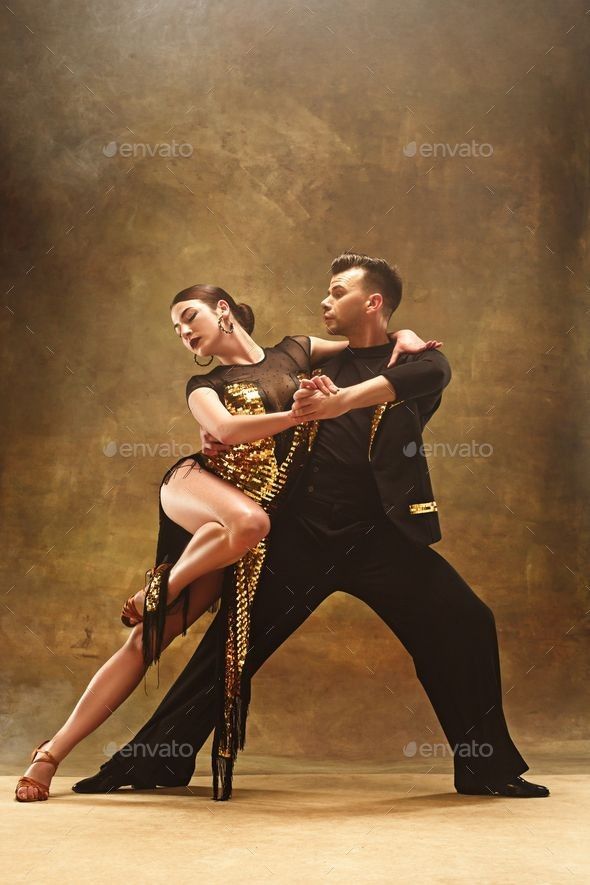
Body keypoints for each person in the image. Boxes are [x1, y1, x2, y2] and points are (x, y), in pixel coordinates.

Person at [73, 253, 549, 802]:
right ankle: (153, 761)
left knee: (465, 622)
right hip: (299, 533)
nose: (325, 299)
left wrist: (349, 392)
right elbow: (252, 394)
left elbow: (418, 375)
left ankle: (485, 769)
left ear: (373, 303)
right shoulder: (302, 363)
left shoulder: (416, 363)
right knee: (231, 645)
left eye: (338, 291)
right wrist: (223, 437)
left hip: (381, 537)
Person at [15, 281, 437, 802]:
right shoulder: (203, 383)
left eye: (188, 316)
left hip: (232, 535)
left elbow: (368, 342)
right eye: (175, 329)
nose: (183, 331)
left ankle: (52, 750)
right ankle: (154, 599)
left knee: (150, 639)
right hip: (199, 489)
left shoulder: (296, 351)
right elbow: (228, 430)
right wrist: (302, 414)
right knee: (251, 522)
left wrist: (410, 335)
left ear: (223, 309)